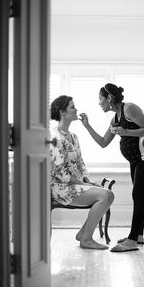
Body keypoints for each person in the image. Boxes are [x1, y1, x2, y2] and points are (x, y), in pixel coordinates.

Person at [80, 83, 144, 252]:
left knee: (138, 195)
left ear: (109, 98)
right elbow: (103, 143)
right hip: (136, 160)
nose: (99, 103)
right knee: (139, 196)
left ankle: (132, 241)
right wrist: (87, 126)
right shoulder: (115, 118)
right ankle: (138, 235)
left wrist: (126, 132)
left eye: (100, 99)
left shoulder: (129, 109)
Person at [50, 95, 114, 250]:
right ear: (62, 112)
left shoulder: (74, 137)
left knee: (106, 193)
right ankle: (86, 239)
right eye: (72, 107)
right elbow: (60, 173)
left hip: (77, 184)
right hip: (61, 188)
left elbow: (80, 163)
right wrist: (82, 183)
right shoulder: (55, 137)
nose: (76, 109)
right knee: (106, 194)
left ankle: (83, 234)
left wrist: (88, 181)